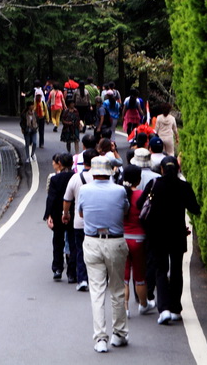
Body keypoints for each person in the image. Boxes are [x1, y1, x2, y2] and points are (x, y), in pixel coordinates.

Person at [138, 155, 200, 325]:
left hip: (157, 235)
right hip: (177, 234)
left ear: (162, 169)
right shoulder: (184, 186)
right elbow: (195, 209)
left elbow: (139, 206)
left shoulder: (154, 185)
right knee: (176, 270)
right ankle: (175, 308)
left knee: (161, 270)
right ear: (178, 169)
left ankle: (163, 309)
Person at [77, 155, 130, 353]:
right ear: (110, 171)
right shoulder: (119, 190)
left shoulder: (84, 189)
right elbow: (125, 211)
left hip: (91, 241)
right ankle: (119, 334)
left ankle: (100, 338)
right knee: (116, 289)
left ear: (93, 172)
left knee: (97, 291)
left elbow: (81, 213)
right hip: (115, 241)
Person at [121, 165, 155, 317]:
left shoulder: (119, 194)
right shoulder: (142, 195)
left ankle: (125, 308)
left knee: (125, 275)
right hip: (139, 239)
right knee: (140, 275)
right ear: (139, 179)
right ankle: (143, 304)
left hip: (122, 238)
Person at [62, 148, 96, 289]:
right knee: (97, 251)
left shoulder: (75, 178)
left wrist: (66, 214)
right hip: (98, 222)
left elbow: (67, 200)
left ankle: (82, 279)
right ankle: (98, 279)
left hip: (80, 222)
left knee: (80, 250)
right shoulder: (103, 177)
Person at [44, 153, 75, 281]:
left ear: (60, 164)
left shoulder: (55, 179)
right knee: (73, 242)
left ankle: (57, 268)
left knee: (58, 241)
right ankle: (72, 272)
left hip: (57, 213)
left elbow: (51, 198)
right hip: (73, 213)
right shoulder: (75, 177)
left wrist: (48, 215)